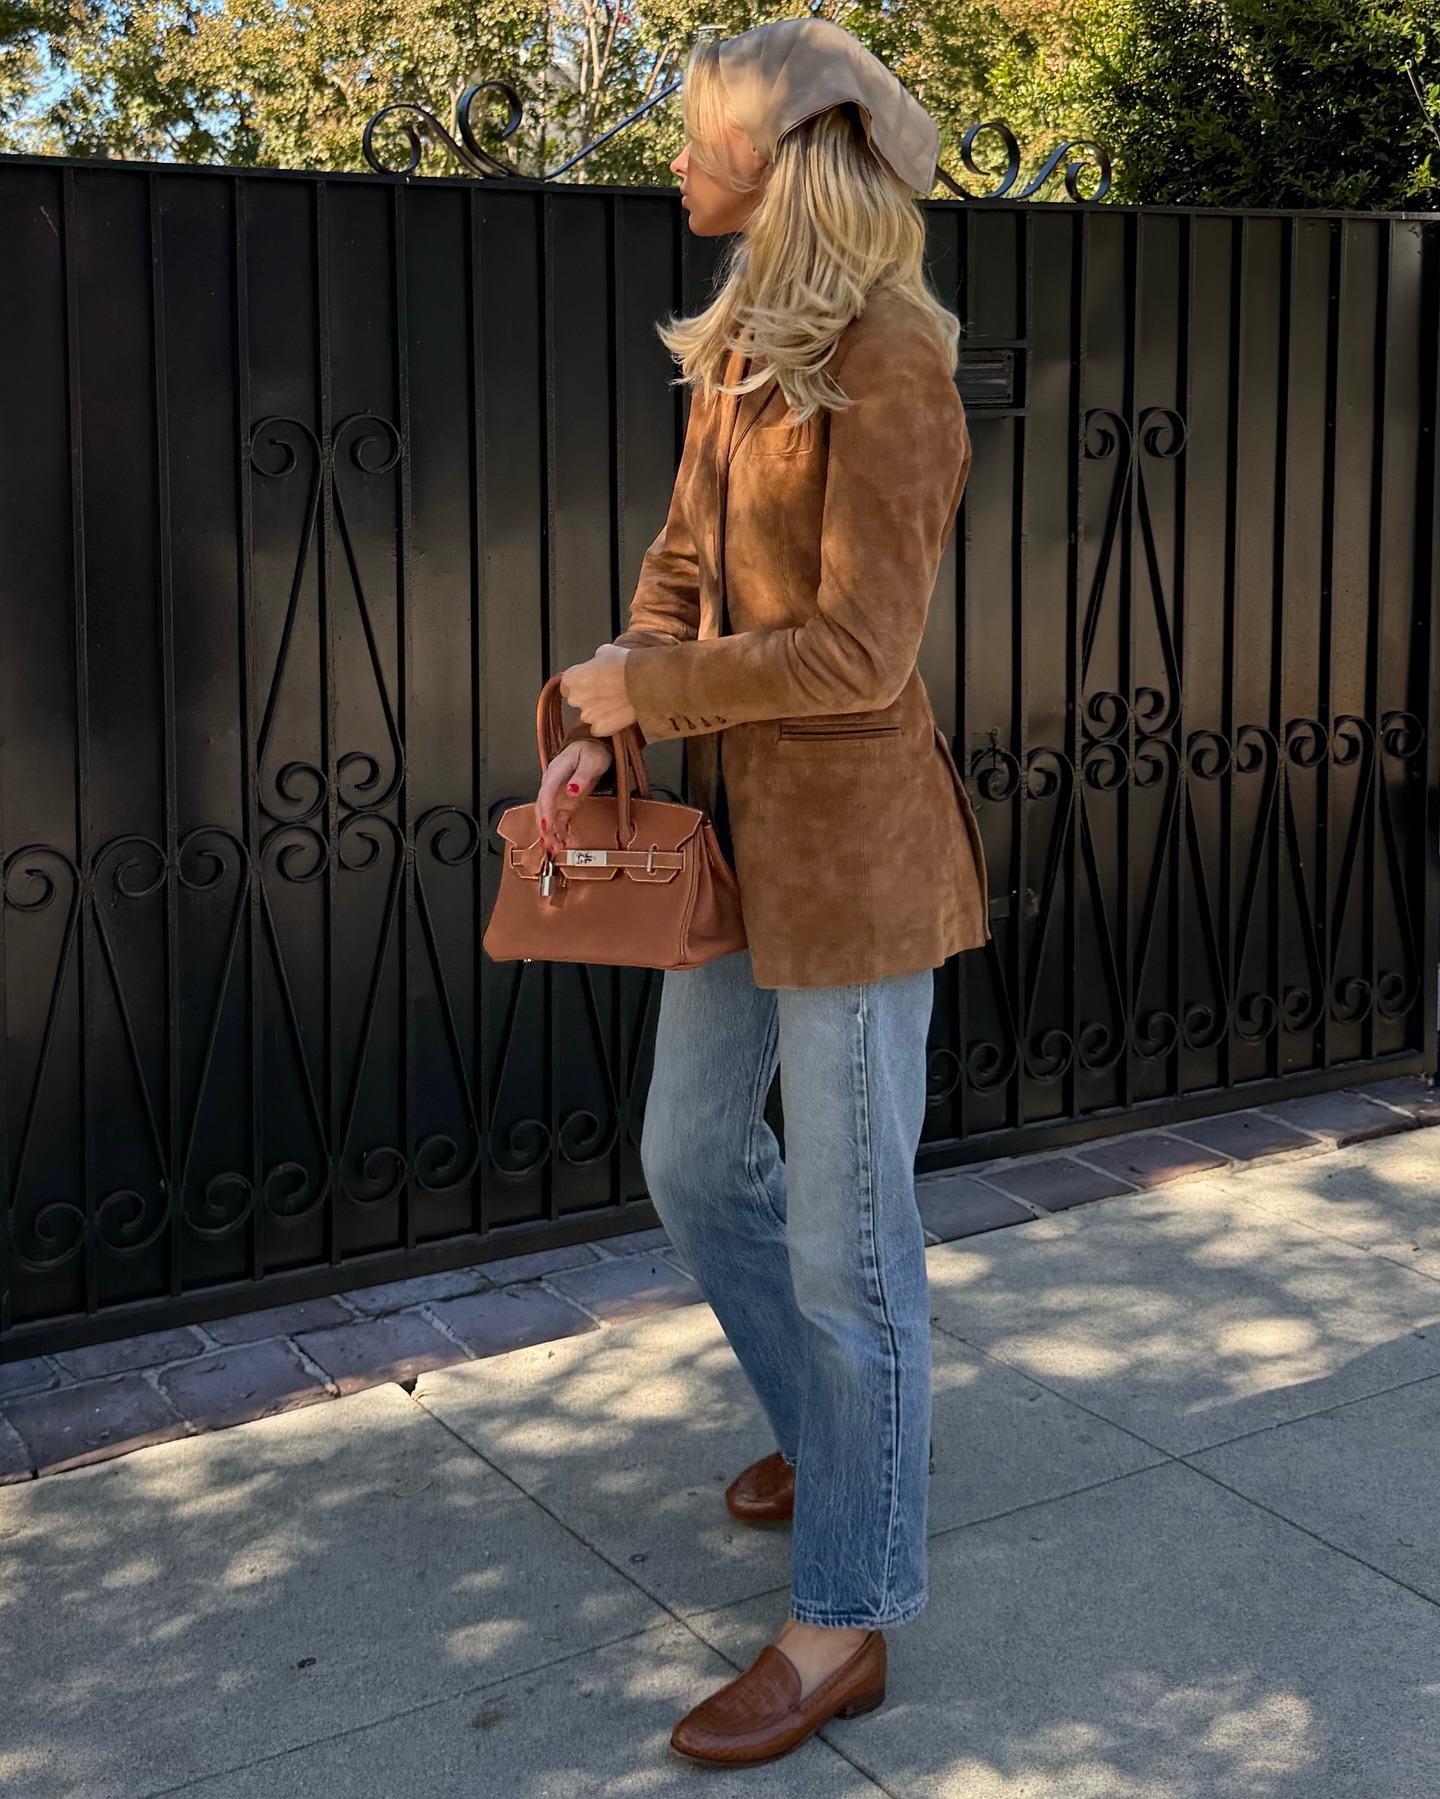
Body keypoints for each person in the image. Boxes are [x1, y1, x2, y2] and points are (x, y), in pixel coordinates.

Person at [536, 15, 988, 1768]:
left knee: (849, 1242)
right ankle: (832, 1423)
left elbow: (867, 654)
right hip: (734, 838)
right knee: (685, 1155)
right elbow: (678, 561)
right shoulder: (740, 342)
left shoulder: (893, 365)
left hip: (857, 863)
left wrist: (665, 693)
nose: (672, 159)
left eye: (690, 132)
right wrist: (611, 706)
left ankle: (845, 1614)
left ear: (774, 151)